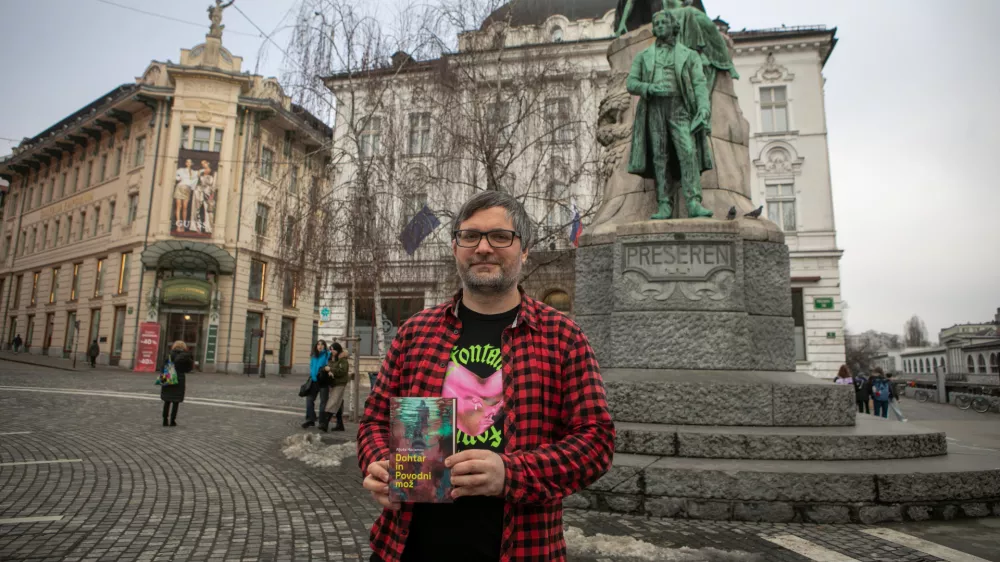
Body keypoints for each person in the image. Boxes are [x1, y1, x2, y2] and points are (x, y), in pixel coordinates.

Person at [358, 191, 616, 562]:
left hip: (521, 548)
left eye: (499, 236)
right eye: (470, 236)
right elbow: (374, 421)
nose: (483, 247)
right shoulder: (416, 333)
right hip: (406, 547)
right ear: (455, 247)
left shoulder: (562, 337)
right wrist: (380, 464)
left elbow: (596, 441)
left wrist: (510, 473)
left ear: (524, 250)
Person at [626, 10, 714, 220]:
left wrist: (703, 109)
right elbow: (631, 83)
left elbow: (699, 84)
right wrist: (647, 87)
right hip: (654, 108)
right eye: (657, 23)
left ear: (674, 27)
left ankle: (693, 201)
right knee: (659, 156)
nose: (660, 25)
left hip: (679, 107)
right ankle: (664, 203)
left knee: (688, 151)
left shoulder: (689, 55)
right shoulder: (643, 56)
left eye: (665, 22)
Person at [161, 341, 193, 427]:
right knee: (176, 401)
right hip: (180, 378)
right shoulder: (185, 356)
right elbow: (188, 369)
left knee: (167, 401)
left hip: (168, 376)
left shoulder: (169, 355)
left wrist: (163, 379)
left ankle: (164, 420)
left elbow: (163, 367)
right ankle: (172, 421)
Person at [322, 342, 350, 432]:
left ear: (338, 350)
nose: (332, 351)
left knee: (333, 402)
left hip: (340, 383)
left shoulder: (343, 360)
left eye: (333, 349)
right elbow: (325, 367)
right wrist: (326, 369)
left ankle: (325, 424)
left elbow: (342, 371)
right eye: (330, 349)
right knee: (338, 403)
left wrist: (331, 370)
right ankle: (340, 425)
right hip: (332, 383)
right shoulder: (330, 358)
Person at [304, 340, 331, 429]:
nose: (320, 346)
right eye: (318, 344)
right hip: (314, 381)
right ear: (316, 346)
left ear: (324, 346)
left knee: (323, 402)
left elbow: (329, 365)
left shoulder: (327, 354)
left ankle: (322, 422)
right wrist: (312, 376)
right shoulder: (314, 356)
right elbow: (311, 367)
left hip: (323, 381)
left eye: (322, 344)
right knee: (309, 400)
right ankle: (310, 419)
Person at [173, 159, 198, 232]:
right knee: (178, 207)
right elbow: (176, 177)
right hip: (180, 187)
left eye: (190, 162)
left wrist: (192, 187)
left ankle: (183, 226)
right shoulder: (181, 170)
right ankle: (178, 226)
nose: (188, 163)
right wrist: (179, 178)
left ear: (191, 164)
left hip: (187, 189)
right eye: (187, 162)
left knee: (185, 207)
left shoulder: (193, 172)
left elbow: (194, 181)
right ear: (186, 163)